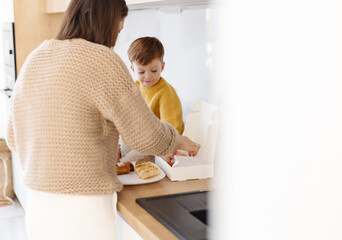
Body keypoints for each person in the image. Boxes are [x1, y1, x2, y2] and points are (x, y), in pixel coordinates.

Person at [5, 0, 200, 239]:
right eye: (116, 30)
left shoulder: (36, 57)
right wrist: (179, 140)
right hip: (83, 210)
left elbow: (14, 136)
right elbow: (146, 135)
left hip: (38, 207)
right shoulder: (102, 60)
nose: (115, 38)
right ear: (105, 22)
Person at [118, 37, 186, 162]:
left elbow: (171, 130)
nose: (148, 76)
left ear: (162, 67)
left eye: (154, 70)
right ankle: (120, 154)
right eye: (141, 71)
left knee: (128, 161)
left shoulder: (165, 93)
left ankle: (123, 160)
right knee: (121, 141)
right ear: (133, 69)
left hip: (161, 144)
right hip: (142, 138)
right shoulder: (135, 86)